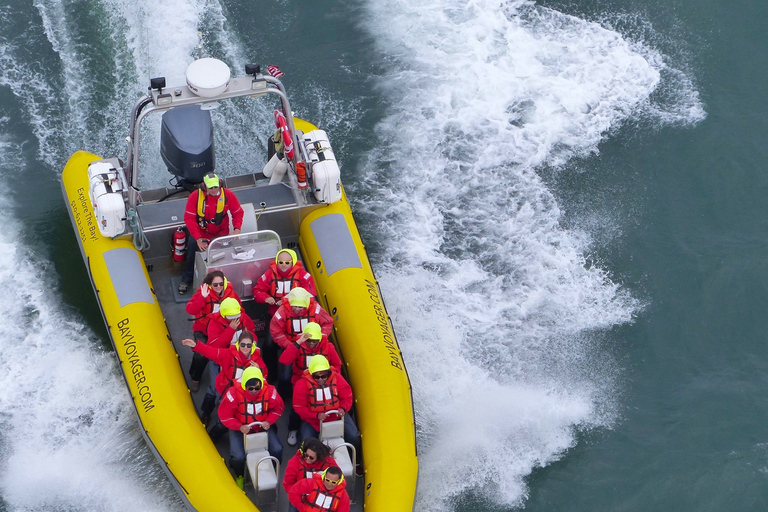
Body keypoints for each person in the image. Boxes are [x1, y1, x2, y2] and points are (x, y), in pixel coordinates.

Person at [181, 331, 268, 426]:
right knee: (211, 394)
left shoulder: (257, 361)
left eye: (248, 345)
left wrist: (259, 370)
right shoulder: (228, 354)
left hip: (238, 393)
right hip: (222, 386)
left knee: (229, 409)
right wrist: (195, 345)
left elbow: (264, 375)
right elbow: (211, 352)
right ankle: (206, 414)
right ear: (238, 344)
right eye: (243, 344)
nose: (246, 347)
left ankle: (222, 423)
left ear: (253, 346)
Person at [218, 366, 284, 490]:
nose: (254, 391)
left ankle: (272, 471)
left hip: (262, 427)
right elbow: (224, 416)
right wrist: (239, 426)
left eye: (257, 388)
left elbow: (278, 409)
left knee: (278, 449)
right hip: (241, 428)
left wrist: (268, 421)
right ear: (244, 385)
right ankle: (239, 475)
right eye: (251, 388)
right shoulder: (233, 395)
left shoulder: (270, 392)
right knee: (238, 457)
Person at [179, 172, 244, 294]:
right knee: (192, 256)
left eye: (215, 187)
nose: (214, 190)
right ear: (205, 187)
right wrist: (198, 238)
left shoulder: (228, 195)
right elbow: (189, 218)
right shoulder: (195, 197)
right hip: (200, 234)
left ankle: (224, 282)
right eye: (211, 188)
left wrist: (237, 229)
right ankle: (186, 279)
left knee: (226, 257)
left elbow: (238, 213)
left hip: (221, 234)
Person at [280, 322, 342, 446]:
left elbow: (337, 364)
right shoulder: (299, 347)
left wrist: (330, 378)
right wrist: (298, 343)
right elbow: (284, 360)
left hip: (324, 379)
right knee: (297, 406)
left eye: (315, 341)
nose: (312, 343)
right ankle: (294, 429)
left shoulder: (328, 347)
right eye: (309, 341)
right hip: (301, 381)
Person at [185, 270, 242, 391]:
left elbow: (239, 309)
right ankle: (195, 377)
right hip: (203, 330)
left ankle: (222, 383)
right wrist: (202, 298)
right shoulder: (203, 293)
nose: (218, 287)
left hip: (222, 330)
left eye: (221, 284)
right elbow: (190, 310)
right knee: (201, 355)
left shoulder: (231, 295)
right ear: (210, 284)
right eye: (215, 285)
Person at [293, 356, 360, 454]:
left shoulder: (338, 379)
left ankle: (355, 460)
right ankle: (306, 464)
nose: (320, 379)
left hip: (337, 416)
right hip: (314, 421)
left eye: (324, 376)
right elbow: (299, 407)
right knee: (305, 441)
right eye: (317, 376)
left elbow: (347, 397)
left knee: (353, 436)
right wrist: (316, 415)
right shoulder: (301, 385)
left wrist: (343, 409)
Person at [253, 248, 317, 317]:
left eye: (287, 262)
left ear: (293, 262)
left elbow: (310, 296)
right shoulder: (269, 274)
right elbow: (257, 291)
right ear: (277, 262)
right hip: (275, 314)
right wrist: (266, 298)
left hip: (297, 314)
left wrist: (286, 301)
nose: (284, 265)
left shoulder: (303, 276)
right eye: (281, 262)